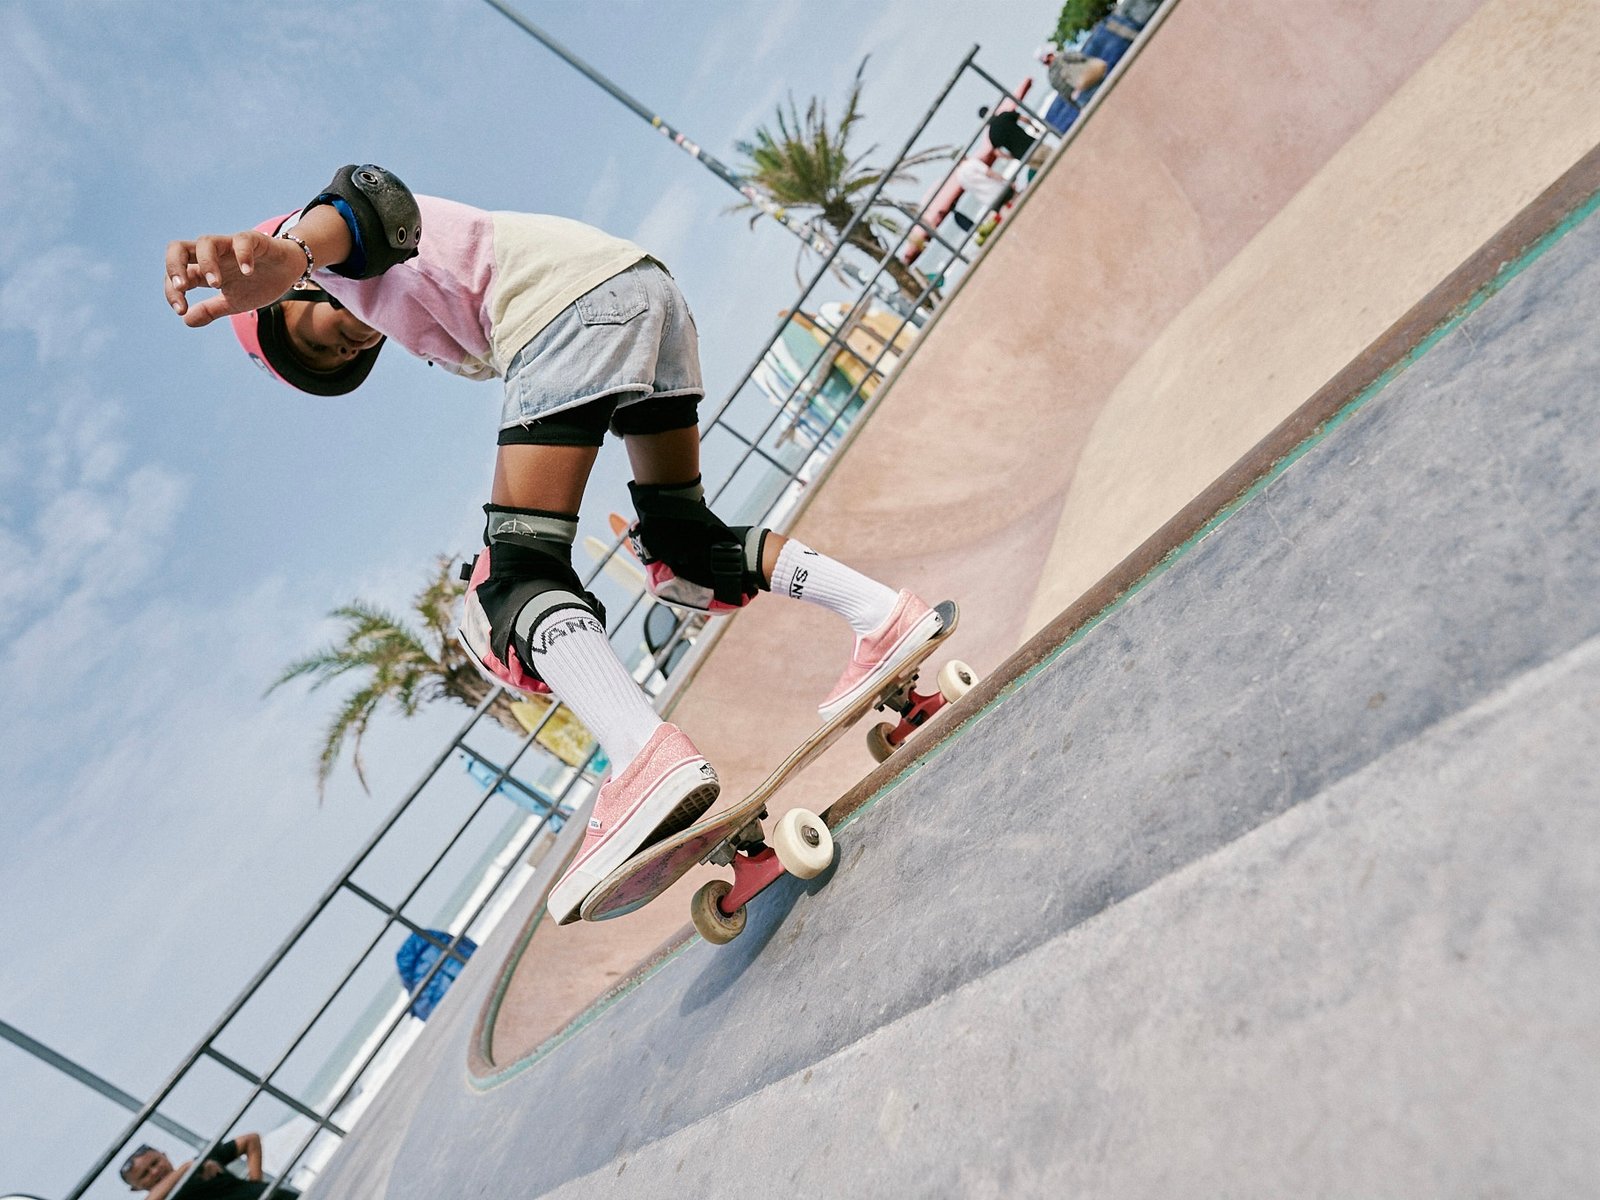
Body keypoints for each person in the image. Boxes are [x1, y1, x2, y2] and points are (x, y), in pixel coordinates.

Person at [163, 166, 950, 924]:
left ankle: (643, 756)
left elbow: (374, 198)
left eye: (320, 332)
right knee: (684, 540)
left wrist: (294, 254)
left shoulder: (333, 252)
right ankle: (883, 619)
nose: (347, 344)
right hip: (646, 297)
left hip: (574, 312)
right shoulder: (399, 309)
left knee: (512, 581)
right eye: (336, 357)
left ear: (294, 290)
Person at [119, 1135, 297, 1200]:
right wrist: (187, 1167)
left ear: (164, 1156)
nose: (155, 1171)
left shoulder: (203, 1162)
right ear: (136, 1189)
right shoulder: (197, 1165)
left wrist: (255, 1183)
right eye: (145, 1174)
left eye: (155, 1163)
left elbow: (251, 1140)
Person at [977, 104, 1045, 163]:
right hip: (1032, 144)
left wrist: (1010, 157)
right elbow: (1024, 119)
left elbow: (998, 153)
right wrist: (1034, 127)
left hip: (1022, 156)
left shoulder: (991, 134)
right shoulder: (1004, 116)